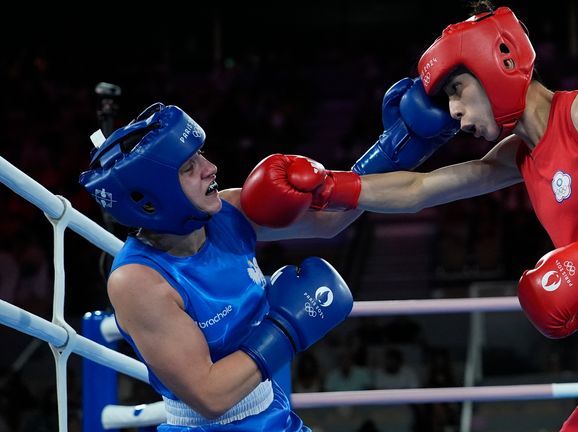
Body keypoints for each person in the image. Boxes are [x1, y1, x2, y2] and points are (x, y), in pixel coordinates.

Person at [242, 4, 578, 431]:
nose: (456, 115)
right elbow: (423, 188)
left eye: (457, 93)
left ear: (497, 64)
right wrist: (333, 184)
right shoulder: (522, 155)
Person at [78, 70, 459, 431]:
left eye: (202, 155)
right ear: (153, 198)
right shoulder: (137, 281)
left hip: (273, 413)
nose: (211, 168)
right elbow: (211, 396)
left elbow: (330, 220)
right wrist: (287, 323)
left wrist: (399, 147)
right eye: (189, 167)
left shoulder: (227, 212)